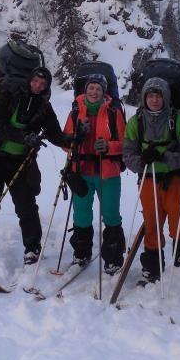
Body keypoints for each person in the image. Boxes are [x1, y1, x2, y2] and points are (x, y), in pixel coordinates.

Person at [0, 67, 70, 266]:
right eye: (36, 81)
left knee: (26, 206)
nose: (38, 86)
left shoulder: (44, 107)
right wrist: (24, 137)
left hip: (21, 163)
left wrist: (73, 138)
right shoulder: (10, 95)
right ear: (30, 79)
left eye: (43, 84)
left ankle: (32, 248)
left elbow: (55, 134)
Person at [123, 77, 180, 282]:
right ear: (144, 98)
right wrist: (142, 161)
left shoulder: (178, 120)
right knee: (152, 222)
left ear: (165, 97)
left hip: (176, 180)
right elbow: (128, 155)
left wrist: (165, 156)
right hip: (148, 179)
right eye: (150, 96)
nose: (154, 100)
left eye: (158, 96)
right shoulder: (135, 122)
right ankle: (153, 268)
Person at [63, 73, 127, 274]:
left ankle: (113, 257)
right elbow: (65, 143)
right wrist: (77, 137)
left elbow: (126, 144)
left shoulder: (113, 112)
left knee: (111, 215)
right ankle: (81, 253)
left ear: (104, 92)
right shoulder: (75, 112)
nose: (94, 91)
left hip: (108, 172)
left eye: (98, 89)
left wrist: (109, 146)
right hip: (81, 171)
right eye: (91, 88)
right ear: (85, 89)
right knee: (81, 215)